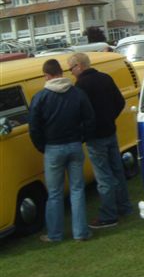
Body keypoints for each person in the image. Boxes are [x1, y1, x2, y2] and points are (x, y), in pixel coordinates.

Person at [28, 59, 95, 242]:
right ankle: (80, 232)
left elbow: (34, 127)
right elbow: (89, 118)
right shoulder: (77, 93)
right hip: (74, 144)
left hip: (53, 148)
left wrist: (42, 146)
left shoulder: (40, 97)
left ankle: (54, 234)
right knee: (77, 190)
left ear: (47, 75)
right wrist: (82, 137)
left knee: (55, 193)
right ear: (61, 72)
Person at [68, 52, 132, 229]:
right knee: (117, 171)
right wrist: (109, 118)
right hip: (110, 131)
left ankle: (108, 215)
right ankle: (124, 206)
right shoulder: (105, 78)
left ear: (79, 66)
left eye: (71, 68)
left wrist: (85, 131)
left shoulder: (81, 85)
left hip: (95, 137)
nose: (71, 72)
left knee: (103, 177)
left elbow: (80, 113)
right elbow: (119, 102)